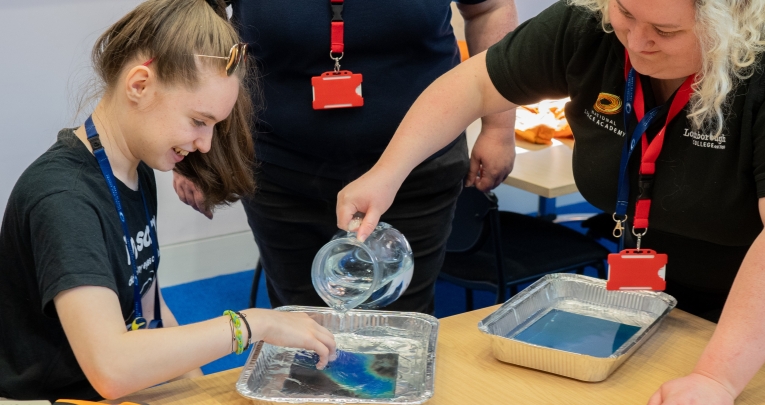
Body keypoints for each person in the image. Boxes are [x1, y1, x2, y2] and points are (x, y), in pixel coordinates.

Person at [335, 0, 765, 403]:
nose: (635, 42)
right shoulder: (586, 24)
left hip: (750, 314)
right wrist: (387, 173)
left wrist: (717, 378)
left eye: (666, 31)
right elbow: (473, 86)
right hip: (655, 300)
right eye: (626, 13)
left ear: (734, 24)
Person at [0, 0, 335, 401]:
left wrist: (196, 389)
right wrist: (251, 325)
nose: (205, 144)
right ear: (139, 85)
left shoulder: (133, 169)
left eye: (214, 126)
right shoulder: (63, 199)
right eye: (198, 121)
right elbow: (112, 368)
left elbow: (149, 306)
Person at [173, 0, 519, 314]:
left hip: (418, 169)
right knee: (301, 326)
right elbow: (190, 29)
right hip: (280, 168)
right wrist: (189, 148)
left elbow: (488, 9)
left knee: (400, 327)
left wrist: (500, 127)